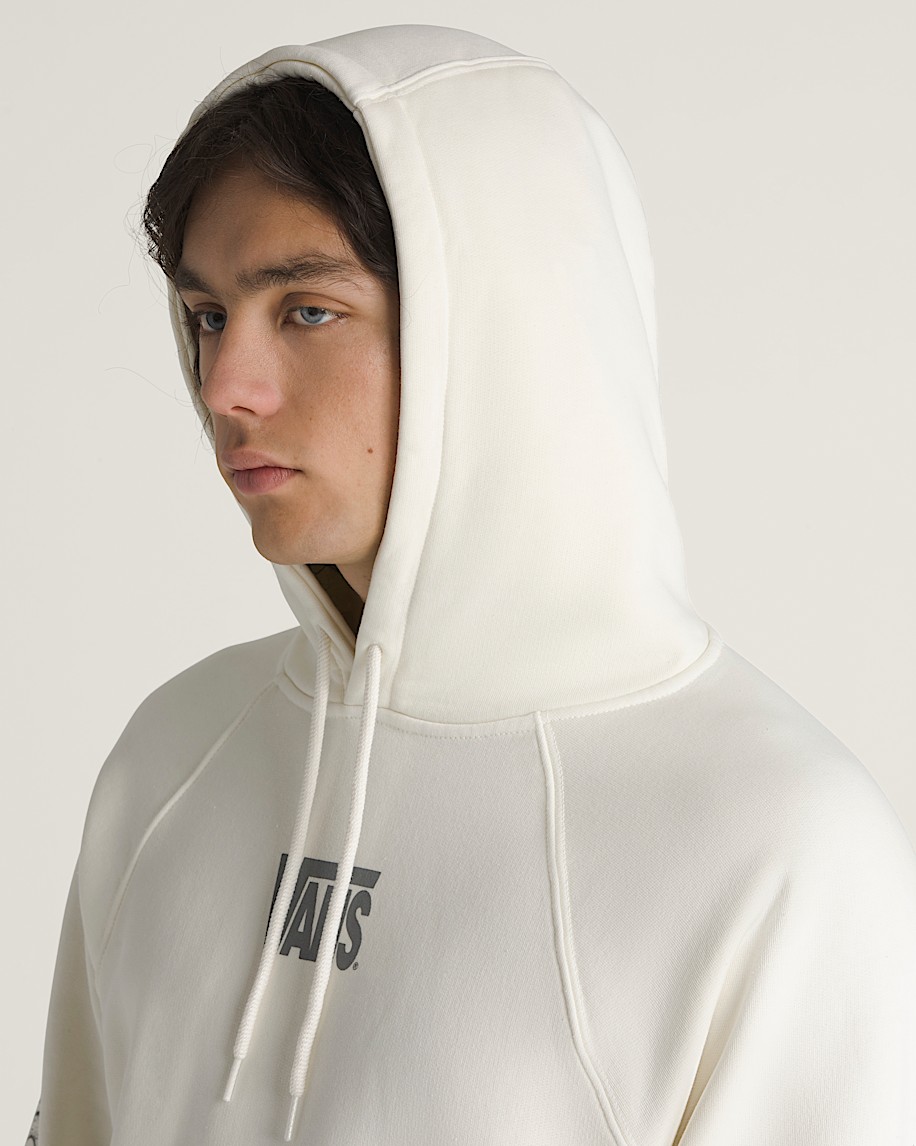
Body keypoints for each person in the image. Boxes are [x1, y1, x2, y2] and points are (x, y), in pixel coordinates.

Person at [33, 23, 916, 1146]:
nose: (224, 385)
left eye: (306, 309)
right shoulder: (173, 756)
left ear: (502, 328)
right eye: (208, 316)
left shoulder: (778, 849)